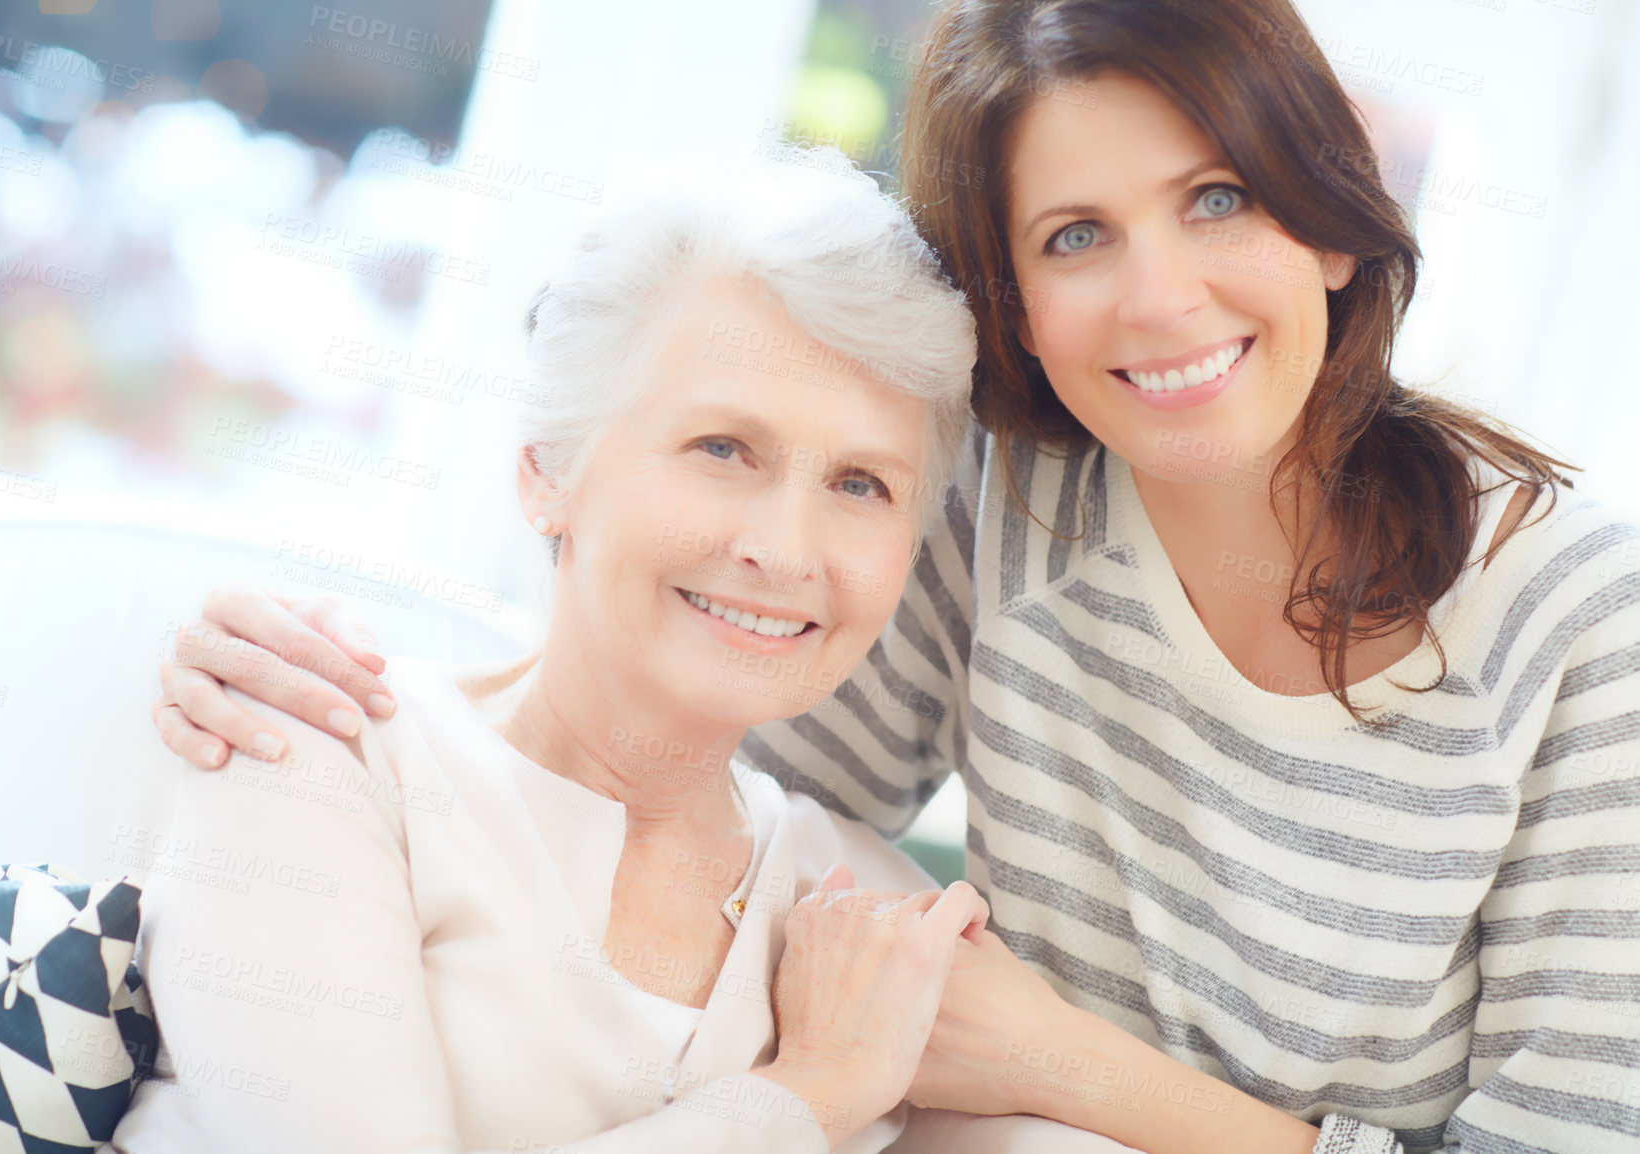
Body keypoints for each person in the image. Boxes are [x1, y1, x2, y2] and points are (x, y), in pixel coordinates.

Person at [149, 1, 1640, 1151]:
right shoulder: (1007, 491)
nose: (1160, 295)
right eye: (1075, 235)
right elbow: (675, 736)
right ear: (1017, 312)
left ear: (1327, 216)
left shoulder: (1581, 620)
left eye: (1220, 197)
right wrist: (344, 677)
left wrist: (1055, 1060)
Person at [107, 152, 1136, 1154]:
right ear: (549, 471)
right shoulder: (311, 748)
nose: (782, 550)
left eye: (861, 482)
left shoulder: (870, 916)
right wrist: (812, 1092)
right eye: (723, 448)